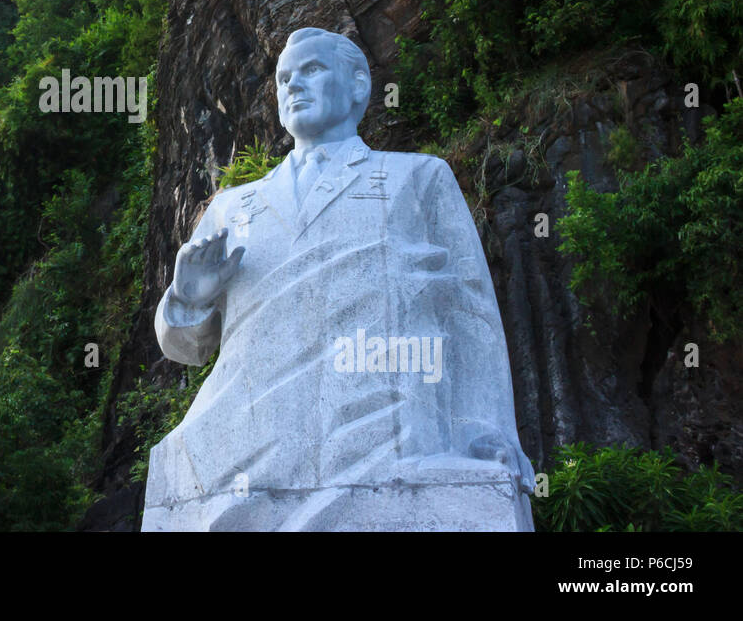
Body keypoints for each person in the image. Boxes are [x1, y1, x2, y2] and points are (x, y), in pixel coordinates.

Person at [142, 27, 535, 531]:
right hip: (246, 435)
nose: (292, 85)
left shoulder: (416, 178)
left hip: (381, 426)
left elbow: (469, 314)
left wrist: (483, 424)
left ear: (358, 87)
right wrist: (188, 299)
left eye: (311, 70)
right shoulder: (234, 207)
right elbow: (185, 349)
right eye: (284, 78)